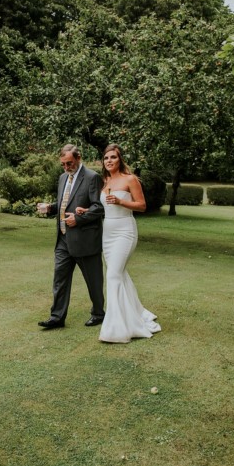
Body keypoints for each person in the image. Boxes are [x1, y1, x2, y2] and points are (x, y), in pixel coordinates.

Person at [83, 143, 161, 343]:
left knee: (113, 275)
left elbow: (142, 206)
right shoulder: (104, 181)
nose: (109, 161)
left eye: (113, 157)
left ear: (120, 160)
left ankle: (115, 327)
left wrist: (120, 202)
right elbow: (102, 208)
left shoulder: (130, 179)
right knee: (120, 274)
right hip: (107, 233)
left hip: (125, 231)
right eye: (106, 158)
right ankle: (136, 314)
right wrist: (87, 211)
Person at [36, 144, 105, 330]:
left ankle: (99, 313)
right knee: (60, 279)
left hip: (85, 239)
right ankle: (56, 318)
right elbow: (64, 203)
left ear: (78, 158)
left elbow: (99, 208)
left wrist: (80, 218)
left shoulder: (92, 177)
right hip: (63, 239)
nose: (66, 168)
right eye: (63, 165)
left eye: (69, 163)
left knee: (93, 280)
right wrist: (50, 207)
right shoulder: (62, 178)